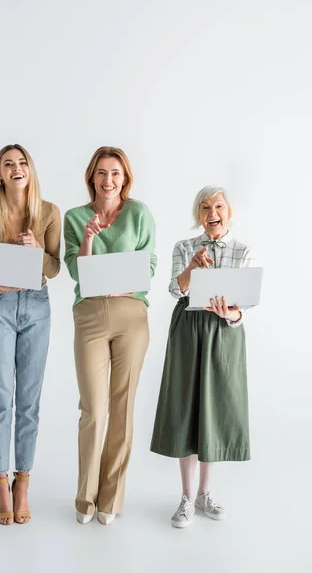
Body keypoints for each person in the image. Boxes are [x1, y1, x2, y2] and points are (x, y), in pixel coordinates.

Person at [150, 186, 254, 528]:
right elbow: (174, 289)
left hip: (223, 332)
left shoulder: (242, 251)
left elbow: (245, 305)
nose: (212, 212)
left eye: (218, 206)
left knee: (215, 409)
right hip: (188, 327)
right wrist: (192, 270)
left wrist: (232, 316)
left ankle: (205, 494)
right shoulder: (185, 247)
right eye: (205, 207)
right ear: (199, 214)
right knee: (185, 409)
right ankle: (185, 496)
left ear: (228, 211)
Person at [64, 146, 157, 525]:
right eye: (101, 173)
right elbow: (75, 271)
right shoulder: (75, 218)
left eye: (115, 173)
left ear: (125, 178)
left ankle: (111, 500)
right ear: (92, 178)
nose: (108, 180)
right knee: (93, 410)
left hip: (131, 314)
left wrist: (126, 284)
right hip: (89, 315)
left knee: (122, 409)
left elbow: (148, 264)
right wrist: (88, 238)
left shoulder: (139, 213)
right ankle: (85, 499)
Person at [0, 144, 61, 525]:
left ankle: (23, 481)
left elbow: (55, 267)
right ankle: (0, 480)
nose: (16, 168)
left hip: (37, 307)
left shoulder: (49, 213)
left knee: (28, 399)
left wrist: (38, 250)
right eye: (7, 164)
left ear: (30, 170)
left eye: (22, 162)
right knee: (0, 398)